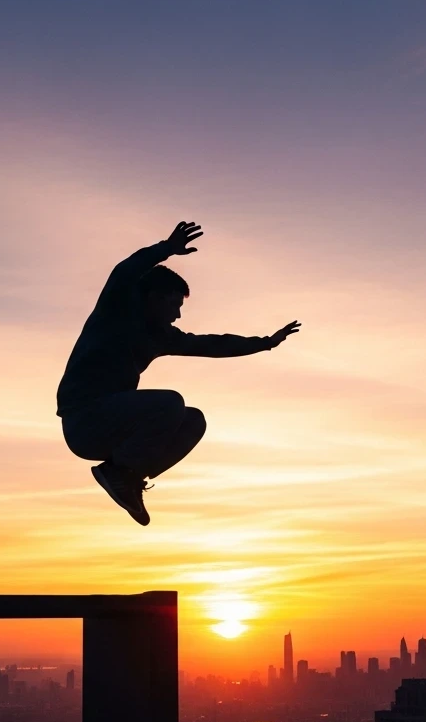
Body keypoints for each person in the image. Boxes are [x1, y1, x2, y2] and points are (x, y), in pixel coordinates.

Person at [56, 221, 300, 525]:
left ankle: (127, 475)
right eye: (174, 304)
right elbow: (126, 271)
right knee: (169, 402)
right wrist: (167, 248)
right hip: (84, 421)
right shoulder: (116, 310)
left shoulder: (161, 336)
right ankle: (118, 472)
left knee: (193, 420)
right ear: (153, 297)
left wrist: (264, 344)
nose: (178, 314)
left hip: (115, 429)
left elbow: (212, 345)